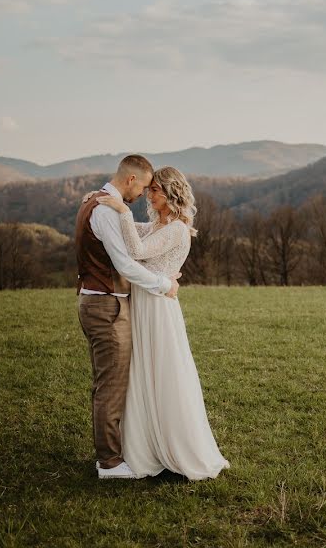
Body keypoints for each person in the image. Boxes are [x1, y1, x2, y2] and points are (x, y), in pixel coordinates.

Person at [89, 166, 230, 480]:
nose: (149, 195)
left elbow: (137, 250)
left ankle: (173, 446)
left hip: (157, 307)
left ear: (171, 194)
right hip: (144, 301)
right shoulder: (159, 224)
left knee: (162, 371)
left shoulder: (178, 229)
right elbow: (136, 233)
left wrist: (122, 209)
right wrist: (108, 207)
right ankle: (144, 443)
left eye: (155, 191)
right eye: (149, 189)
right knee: (142, 371)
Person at [74, 155, 180, 480]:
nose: (145, 194)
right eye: (145, 186)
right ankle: (109, 463)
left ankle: (114, 454)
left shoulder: (96, 201)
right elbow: (125, 264)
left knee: (109, 382)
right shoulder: (106, 210)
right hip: (107, 306)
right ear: (131, 180)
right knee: (111, 386)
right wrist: (165, 285)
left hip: (100, 302)